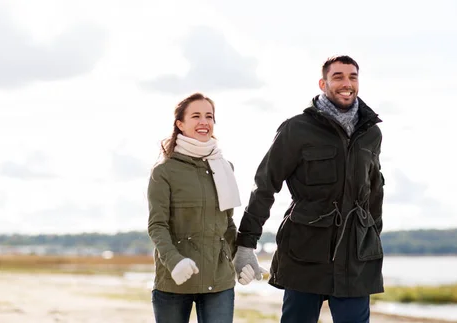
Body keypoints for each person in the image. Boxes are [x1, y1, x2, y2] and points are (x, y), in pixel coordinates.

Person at [233, 55, 386, 323]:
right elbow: (265, 185)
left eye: (352, 76)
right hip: (304, 252)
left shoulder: (371, 133)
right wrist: (246, 243)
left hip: (355, 258)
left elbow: (374, 191)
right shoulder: (297, 129)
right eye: (338, 76)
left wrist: (371, 238)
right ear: (323, 83)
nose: (346, 83)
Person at [147, 92, 242, 323]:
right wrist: (174, 261)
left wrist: (242, 256)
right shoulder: (164, 171)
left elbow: (226, 223)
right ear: (180, 124)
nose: (204, 122)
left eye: (209, 116)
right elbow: (157, 226)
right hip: (174, 280)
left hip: (219, 280)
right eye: (196, 116)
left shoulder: (224, 166)